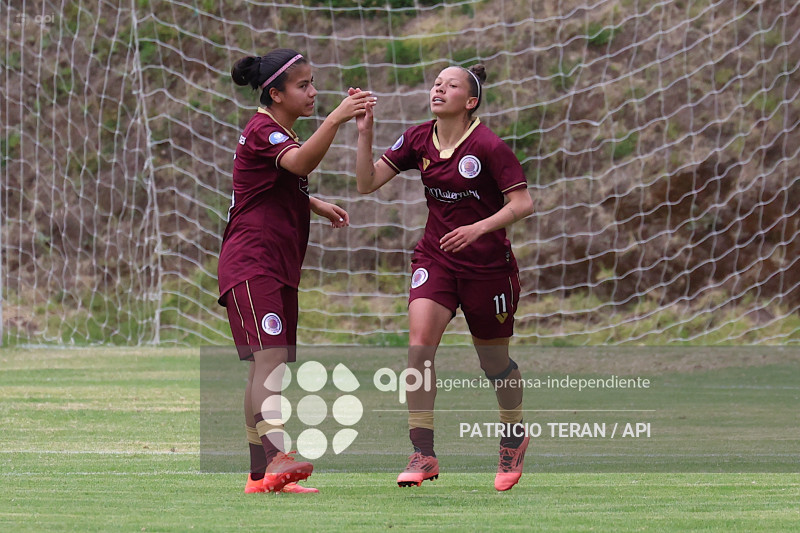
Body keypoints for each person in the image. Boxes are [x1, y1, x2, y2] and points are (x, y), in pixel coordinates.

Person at [354, 64, 534, 491]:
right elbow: (366, 183)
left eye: (450, 85)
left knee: (493, 363)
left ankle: (513, 435)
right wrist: (365, 132)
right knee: (419, 350)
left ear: (470, 101)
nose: (439, 88)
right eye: (436, 83)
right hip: (436, 258)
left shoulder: (489, 145)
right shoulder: (418, 138)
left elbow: (523, 203)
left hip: (488, 269)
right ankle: (423, 453)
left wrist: (478, 228)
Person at [218, 48, 375, 494]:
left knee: (266, 368)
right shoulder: (263, 128)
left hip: (277, 266)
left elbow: (270, 184)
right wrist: (338, 118)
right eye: (303, 85)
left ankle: (260, 477)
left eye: (312, 83)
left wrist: (314, 204)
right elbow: (301, 163)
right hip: (252, 263)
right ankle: (276, 457)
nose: (313, 92)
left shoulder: (278, 132)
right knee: (268, 362)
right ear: (275, 93)